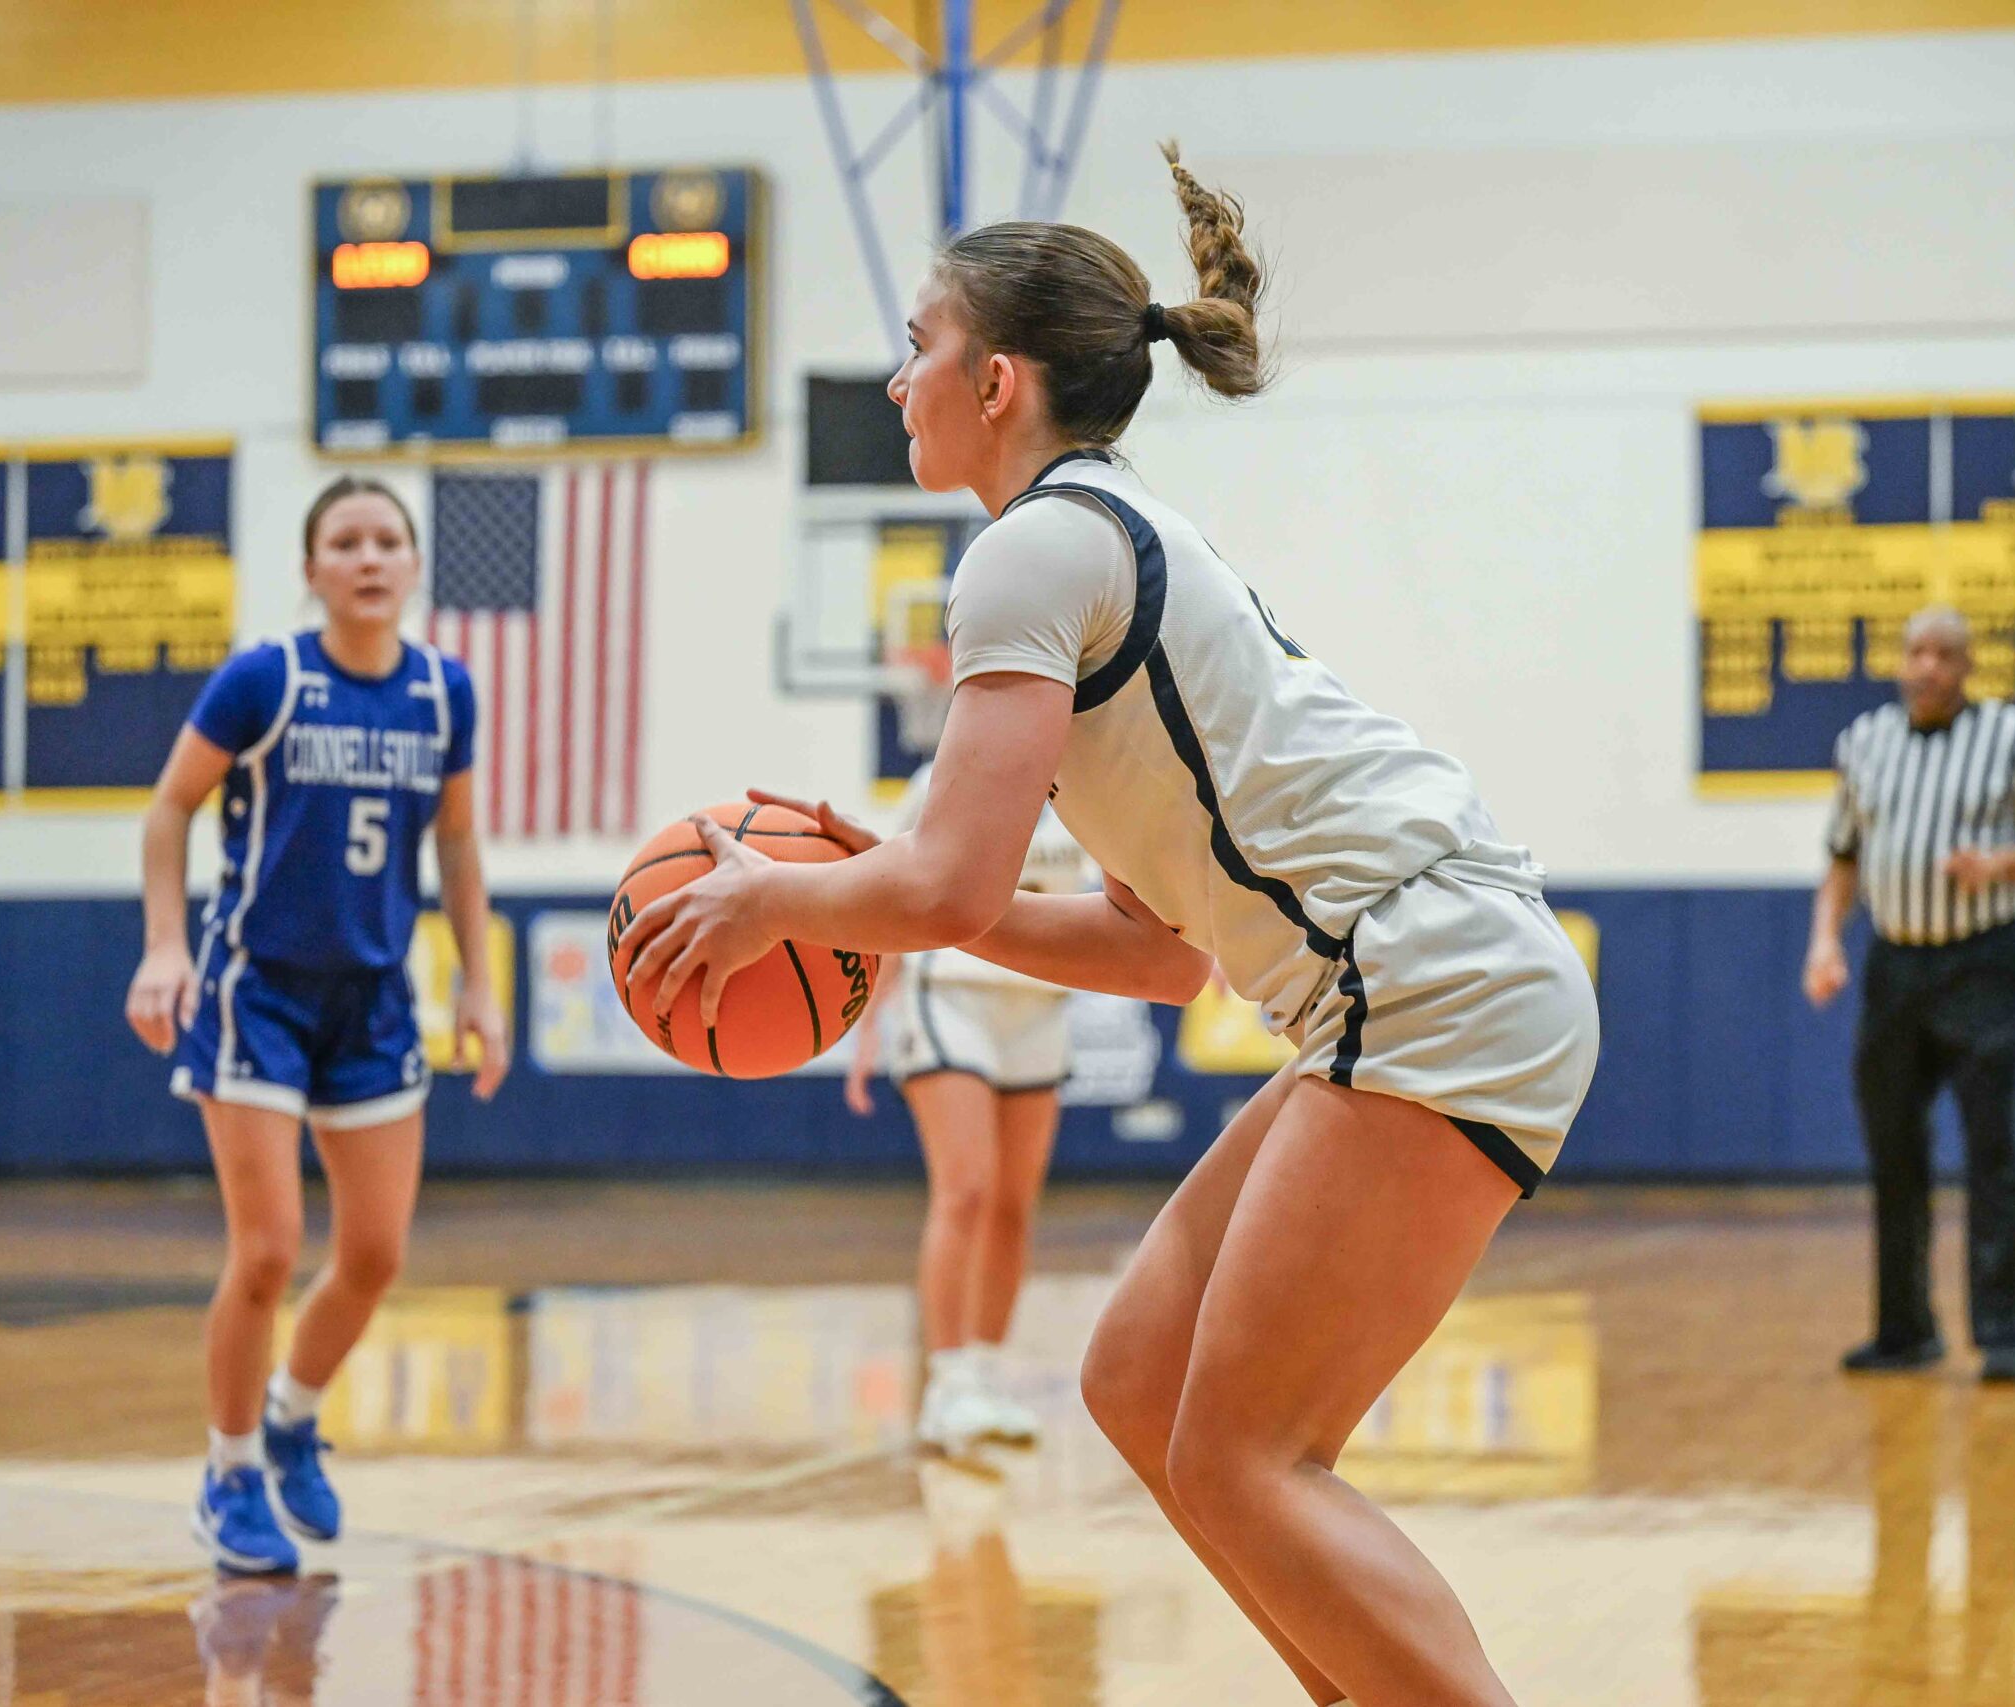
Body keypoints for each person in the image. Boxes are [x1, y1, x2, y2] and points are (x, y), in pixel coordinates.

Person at [624, 143, 1599, 1707]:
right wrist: (876, 885)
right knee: (1142, 1382)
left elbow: (944, 887)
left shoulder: (1031, 550)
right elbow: (1155, 950)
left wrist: (781, 897)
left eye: (921, 346)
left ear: (996, 380)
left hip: (1425, 976)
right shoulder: (1096, 529)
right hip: (1418, 971)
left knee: (1242, 1455)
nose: (899, 380)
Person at [125, 477, 510, 1576]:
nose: (369, 557)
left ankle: (291, 1418)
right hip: (258, 990)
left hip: (375, 996)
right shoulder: (267, 679)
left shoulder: (444, 692)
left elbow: (457, 845)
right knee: (267, 1250)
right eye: (346, 541)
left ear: (414, 564)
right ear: (311, 570)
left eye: (388, 539)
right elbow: (170, 807)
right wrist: (164, 946)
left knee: (376, 1255)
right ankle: (229, 1472)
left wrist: (479, 985)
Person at [1803, 606, 2015, 1386]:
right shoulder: (1864, 741)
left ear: (1967, 665)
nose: (1927, 665)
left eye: (1944, 653)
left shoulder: (2013, 737)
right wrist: (1824, 940)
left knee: (1990, 1147)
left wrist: (2000, 865)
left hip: (1981, 962)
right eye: (1915, 651)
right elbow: (1843, 855)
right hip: (1895, 963)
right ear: (1900, 661)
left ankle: (2003, 1332)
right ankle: (1904, 1330)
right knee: (1893, 1148)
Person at [845, 761, 1095, 1454]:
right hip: (949, 993)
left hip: (1040, 1002)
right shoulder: (945, 778)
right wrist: (868, 1023)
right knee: (967, 1189)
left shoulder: (1090, 786)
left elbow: (1146, 877)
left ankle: (984, 1376)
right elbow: (894, 899)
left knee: (1014, 1203)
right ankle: (946, 1385)